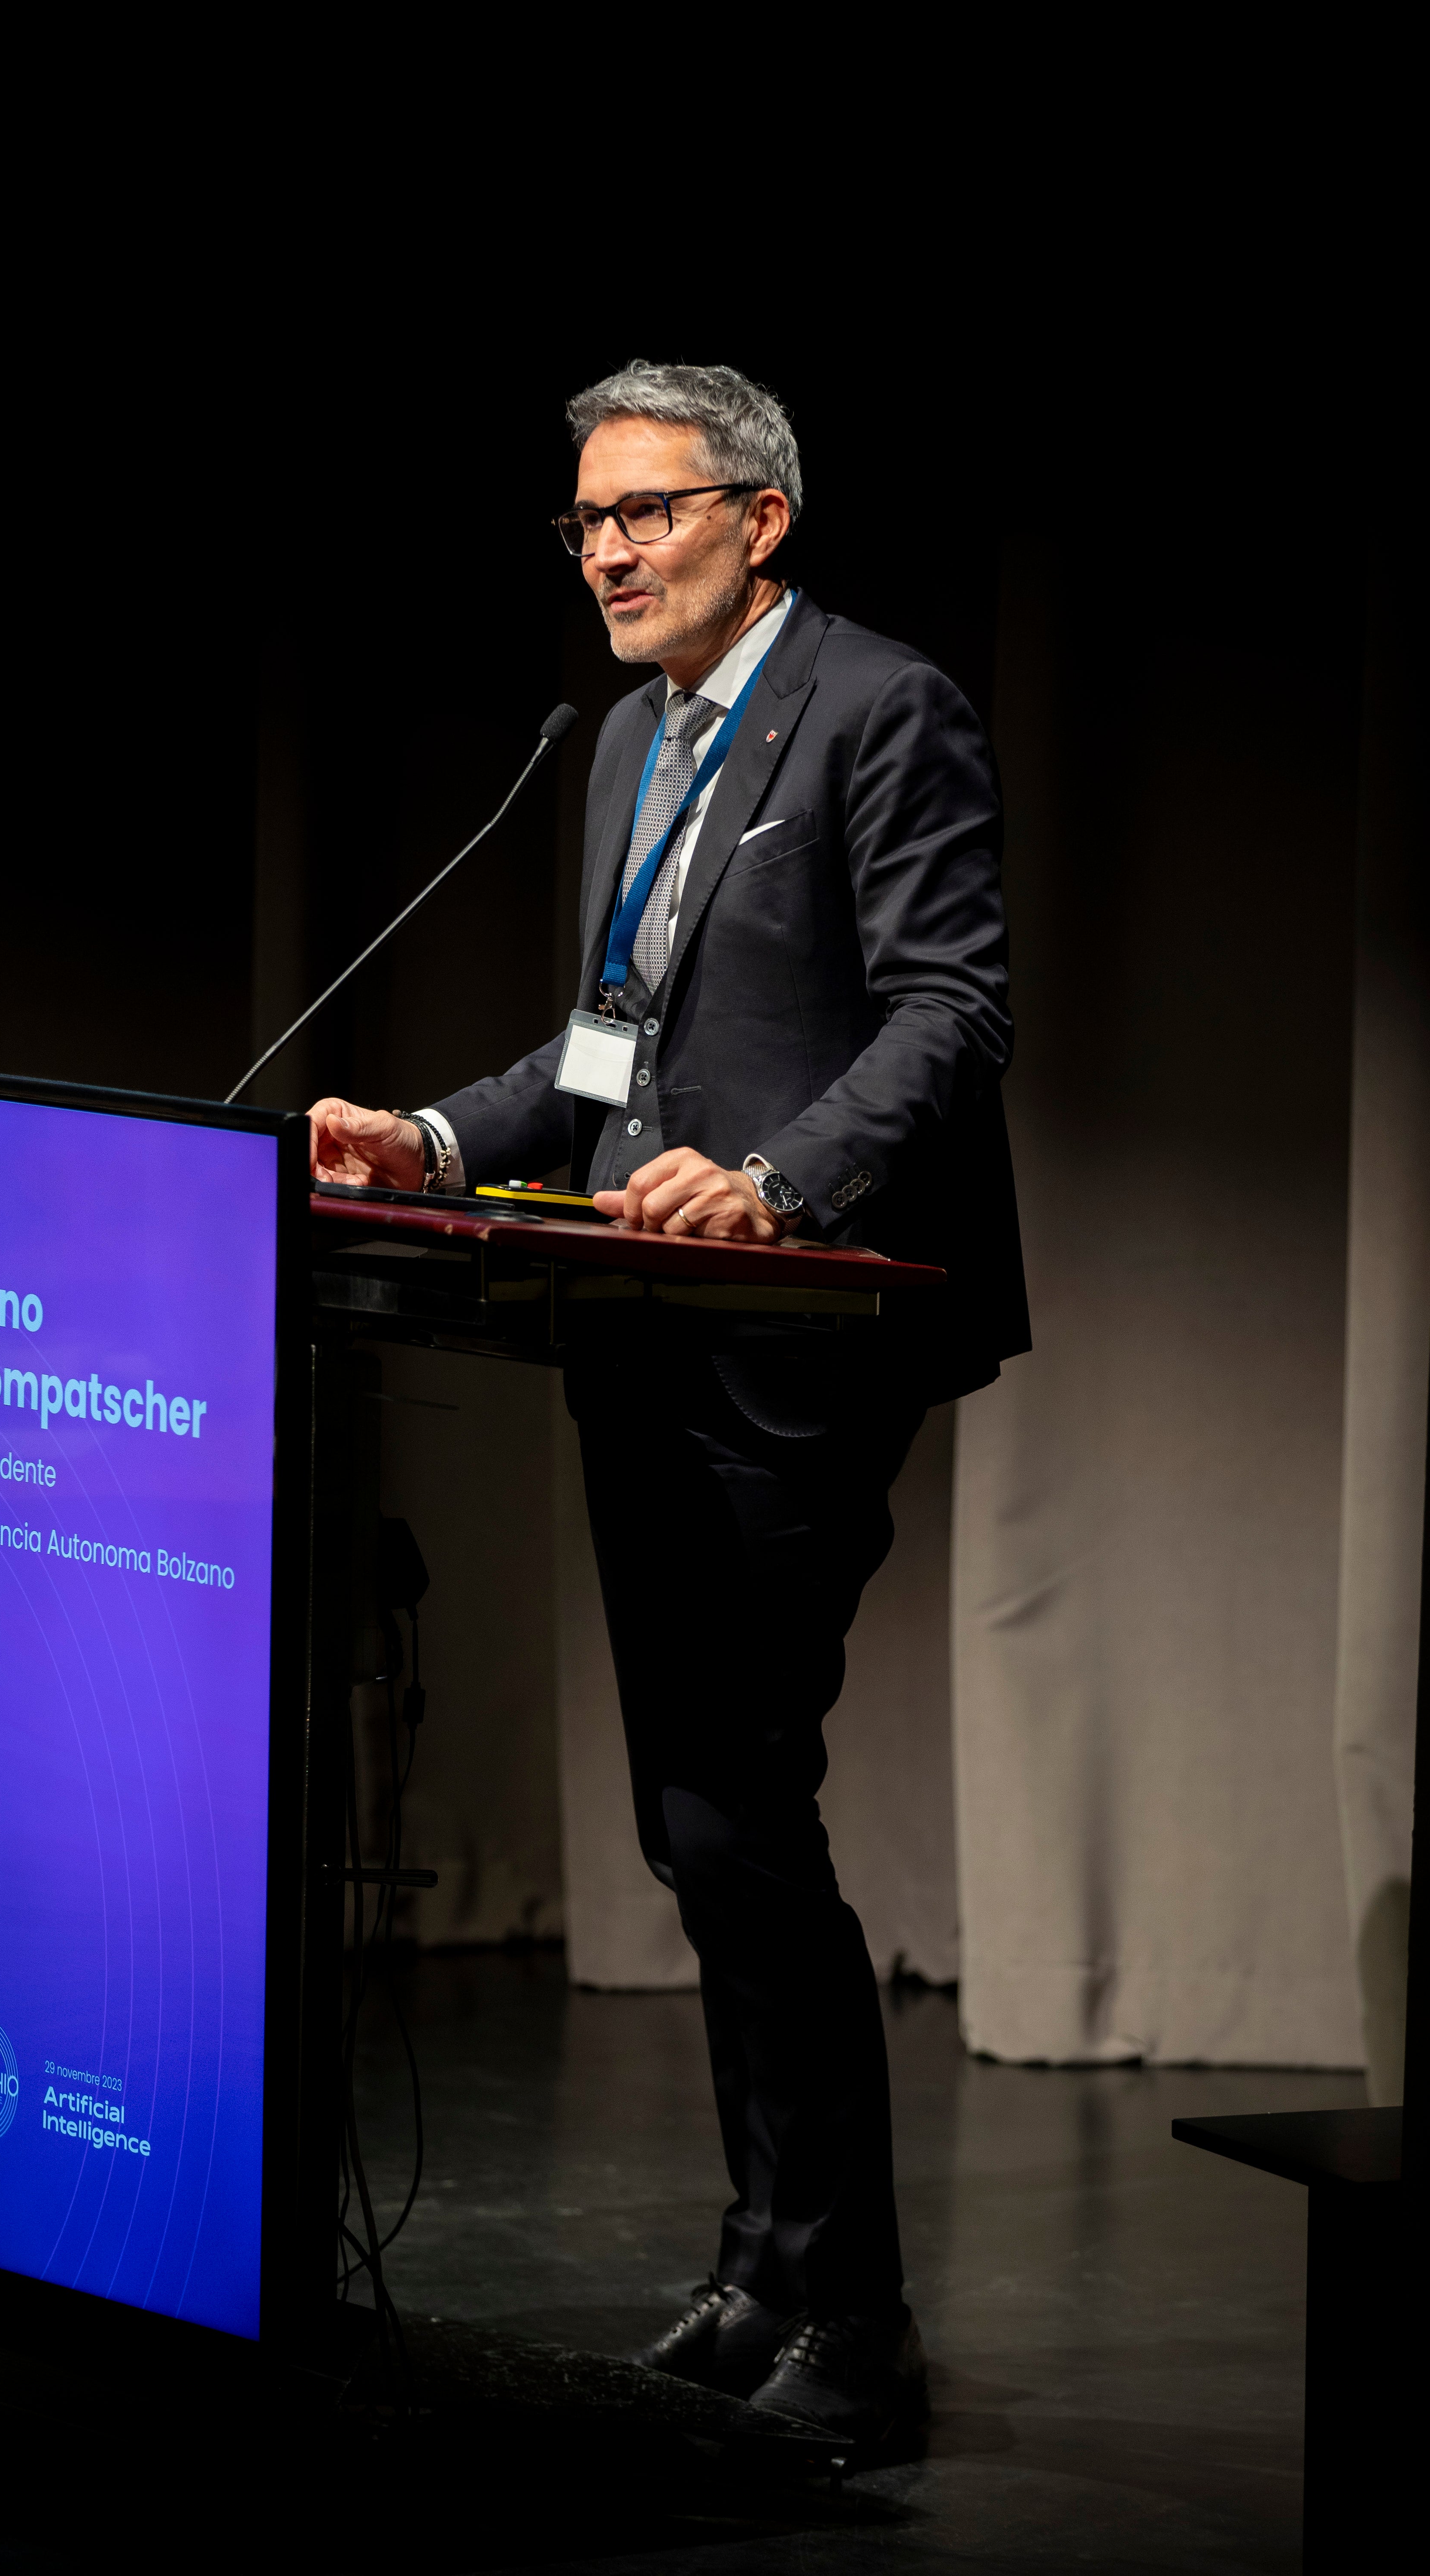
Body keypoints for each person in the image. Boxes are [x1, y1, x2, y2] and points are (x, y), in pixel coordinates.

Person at [309, 358, 1028, 2449]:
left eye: (648, 512)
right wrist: (436, 1143)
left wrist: (780, 1180)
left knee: (732, 1806)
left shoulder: (880, 708)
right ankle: (763, 2272)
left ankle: (855, 2327)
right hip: (639, 1320)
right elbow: (608, 1049)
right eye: (587, 524)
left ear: (762, 516)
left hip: (801, 1329)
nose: (609, 555)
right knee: (696, 1821)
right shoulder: (631, 738)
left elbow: (954, 1011)